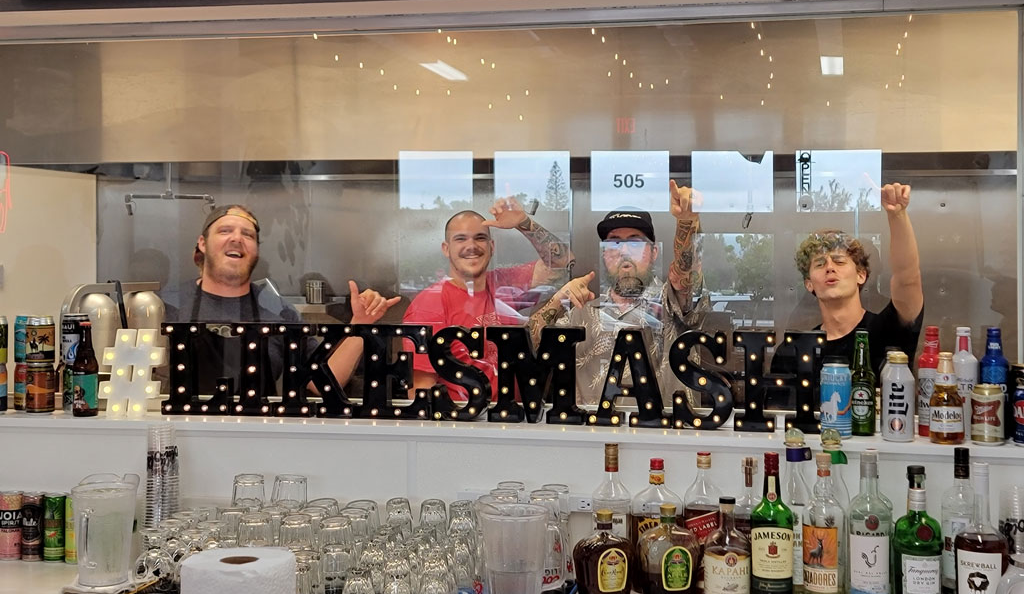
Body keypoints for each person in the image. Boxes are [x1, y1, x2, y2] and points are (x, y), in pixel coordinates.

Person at [160, 204, 399, 394]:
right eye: (225, 231)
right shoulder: (165, 306)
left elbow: (321, 382)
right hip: (180, 434)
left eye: (248, 234)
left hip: (260, 434)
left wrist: (360, 325)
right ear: (202, 243)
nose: (237, 238)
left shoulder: (279, 312)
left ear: (256, 250)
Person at [527, 181, 708, 406]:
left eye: (635, 242)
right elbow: (527, 348)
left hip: (662, 428)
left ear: (654, 252)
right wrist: (558, 299)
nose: (623, 251)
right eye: (613, 243)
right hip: (591, 428)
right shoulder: (581, 312)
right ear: (604, 254)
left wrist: (687, 222)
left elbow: (686, 277)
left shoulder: (672, 304)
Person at [403, 197, 573, 398]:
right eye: (460, 239)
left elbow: (562, 262)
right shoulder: (428, 305)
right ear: (446, 249)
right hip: (465, 417)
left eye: (480, 238)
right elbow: (421, 393)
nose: (471, 245)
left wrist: (524, 223)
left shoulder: (502, 284)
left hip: (514, 413)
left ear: (492, 247)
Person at [794, 183, 924, 376]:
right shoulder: (796, 350)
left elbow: (907, 279)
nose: (830, 267)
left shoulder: (887, 330)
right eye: (820, 264)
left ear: (861, 275)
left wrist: (897, 215)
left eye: (839, 261)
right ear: (809, 284)